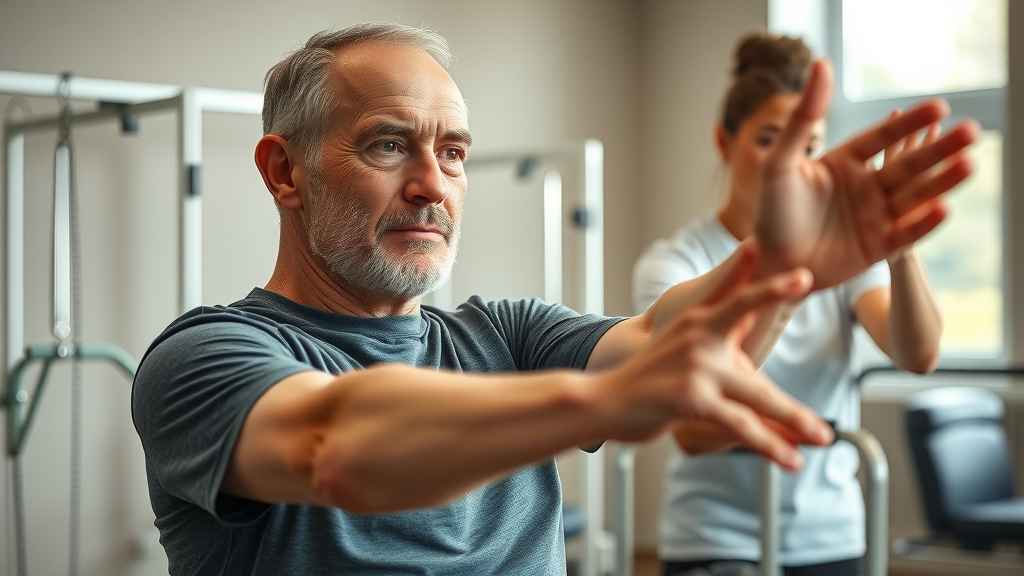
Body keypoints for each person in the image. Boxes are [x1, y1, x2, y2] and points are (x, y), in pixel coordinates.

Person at [131, 22, 976, 576]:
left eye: (453, 153)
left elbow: (662, 343)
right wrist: (605, 399)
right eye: (389, 145)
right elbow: (335, 447)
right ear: (286, 172)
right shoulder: (206, 356)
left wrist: (779, 266)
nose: (432, 185)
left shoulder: (503, 333)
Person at [632, 32, 946, 576]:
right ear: (724, 143)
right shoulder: (676, 262)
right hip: (717, 537)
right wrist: (799, 425)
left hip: (831, 535)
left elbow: (916, 354)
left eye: (807, 146)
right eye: (770, 141)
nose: (792, 164)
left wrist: (902, 252)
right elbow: (692, 426)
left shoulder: (843, 258)